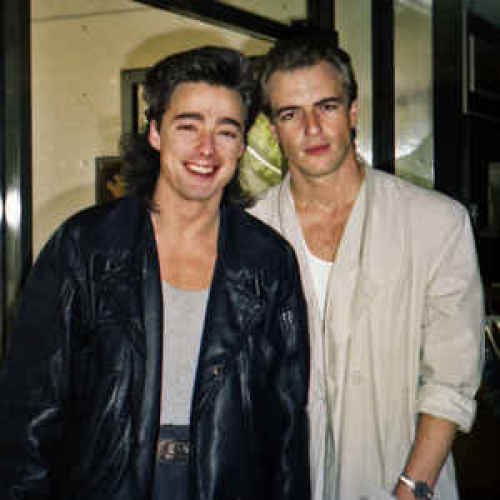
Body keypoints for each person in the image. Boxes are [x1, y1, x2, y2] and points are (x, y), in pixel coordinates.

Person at [0, 46, 310, 500]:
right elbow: (30, 412)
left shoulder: (268, 261)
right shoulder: (85, 247)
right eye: (188, 126)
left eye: (226, 131)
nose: (206, 149)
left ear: (242, 146)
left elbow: (287, 426)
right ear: (155, 133)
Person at [248, 36, 484, 500]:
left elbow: (451, 380)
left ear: (353, 111)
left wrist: (411, 487)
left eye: (327, 106)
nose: (312, 128)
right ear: (273, 128)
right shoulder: (249, 233)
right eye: (291, 114)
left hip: (403, 479)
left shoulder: (435, 223)